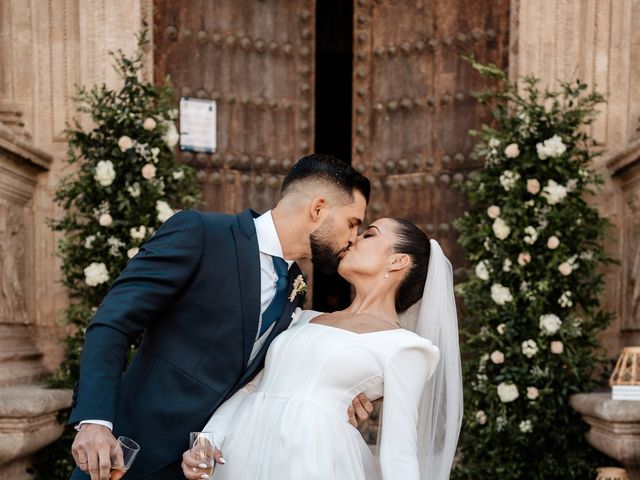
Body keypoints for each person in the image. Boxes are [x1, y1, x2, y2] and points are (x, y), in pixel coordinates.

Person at [69, 154, 375, 479]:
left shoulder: (296, 286)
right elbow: (113, 322)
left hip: (204, 467)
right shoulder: (201, 234)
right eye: (353, 222)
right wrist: (95, 422)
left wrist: (336, 397)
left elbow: (267, 377)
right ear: (318, 209)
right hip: (123, 453)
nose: (354, 237)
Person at [181, 218, 463, 479]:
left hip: (311, 462)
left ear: (398, 260)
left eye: (369, 234)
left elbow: (399, 453)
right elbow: (253, 388)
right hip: (242, 454)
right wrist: (207, 440)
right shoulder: (305, 318)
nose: (353, 240)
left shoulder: (406, 348)